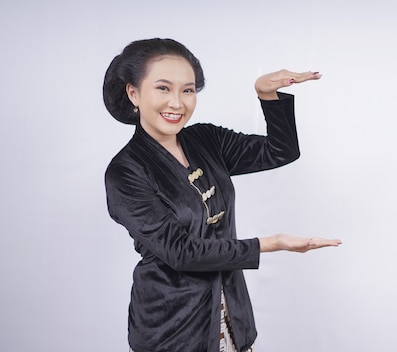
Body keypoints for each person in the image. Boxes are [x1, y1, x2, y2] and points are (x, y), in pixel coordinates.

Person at [102, 38, 341, 352]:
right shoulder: (126, 171)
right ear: (134, 92)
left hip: (231, 312)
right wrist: (271, 244)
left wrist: (266, 94)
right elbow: (181, 252)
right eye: (163, 88)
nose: (177, 103)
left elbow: (280, 151)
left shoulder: (205, 139)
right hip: (171, 326)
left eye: (187, 90)